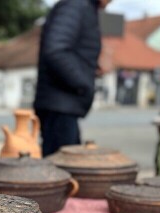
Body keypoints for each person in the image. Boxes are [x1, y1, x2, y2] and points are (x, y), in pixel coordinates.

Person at [34, 0, 109, 156]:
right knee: (62, 164)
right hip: (59, 106)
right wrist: (83, 83)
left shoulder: (81, 7)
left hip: (63, 104)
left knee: (67, 161)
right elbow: (56, 51)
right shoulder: (75, 6)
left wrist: (91, 67)